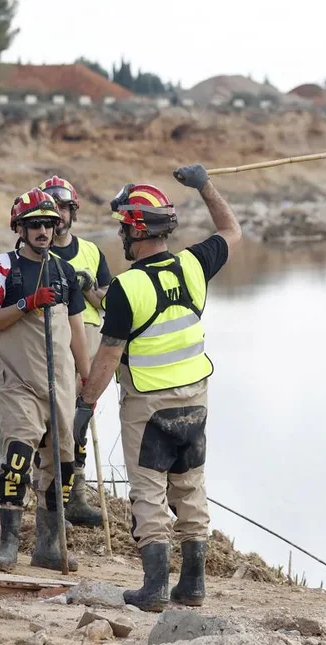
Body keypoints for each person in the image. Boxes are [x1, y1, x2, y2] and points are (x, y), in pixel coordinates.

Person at [73, 165, 243, 611]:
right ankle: (192, 586)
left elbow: (108, 356)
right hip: (195, 400)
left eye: (123, 229)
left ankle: (152, 590)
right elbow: (231, 228)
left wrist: (85, 405)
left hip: (148, 405)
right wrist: (204, 185)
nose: (121, 239)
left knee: (148, 490)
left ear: (136, 230)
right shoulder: (193, 265)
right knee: (189, 486)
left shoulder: (129, 287)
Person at [0, 188, 92, 573]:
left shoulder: (64, 271)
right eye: (35, 225)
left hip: (60, 384)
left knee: (60, 467)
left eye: (49, 223)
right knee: (17, 459)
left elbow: (76, 328)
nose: (44, 231)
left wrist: (87, 376)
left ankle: (48, 546)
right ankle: (8, 544)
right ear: (19, 228)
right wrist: (27, 303)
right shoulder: (2, 268)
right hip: (18, 383)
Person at [39, 175, 110, 528]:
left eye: (64, 207)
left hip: (90, 338)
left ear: (73, 211)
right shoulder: (36, 250)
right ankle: (50, 502)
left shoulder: (92, 252)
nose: (59, 215)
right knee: (52, 421)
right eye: (52, 208)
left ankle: (77, 497)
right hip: (50, 339)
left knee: (81, 420)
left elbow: (110, 301)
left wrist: (89, 287)